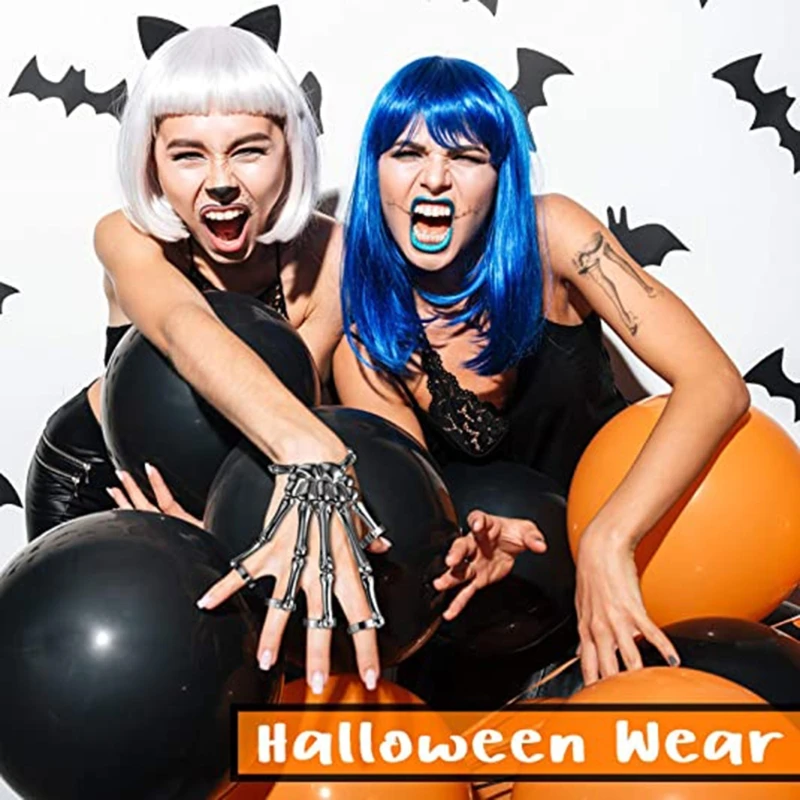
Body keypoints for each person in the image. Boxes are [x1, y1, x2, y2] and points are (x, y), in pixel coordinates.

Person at [333, 55, 751, 690]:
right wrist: (467, 544)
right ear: (375, 169)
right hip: (496, 627)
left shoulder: (554, 235)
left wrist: (608, 538)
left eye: (466, 157)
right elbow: (415, 521)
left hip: (644, 572)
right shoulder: (366, 344)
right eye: (407, 153)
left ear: (500, 175)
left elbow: (715, 384)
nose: (435, 178)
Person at [24, 25, 401, 696]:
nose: (221, 182)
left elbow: (297, 410)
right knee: (103, 694)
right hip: (103, 483)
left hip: (248, 491)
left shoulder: (334, 258)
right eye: (188, 155)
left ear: (291, 150)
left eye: (249, 150)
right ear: (151, 163)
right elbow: (183, 325)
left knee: (235, 694)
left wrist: (223, 528)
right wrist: (314, 453)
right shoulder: (127, 237)